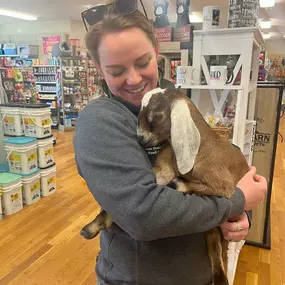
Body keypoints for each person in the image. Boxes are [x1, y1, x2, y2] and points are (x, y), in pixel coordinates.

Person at [74, 3, 267, 285]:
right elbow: (144, 215)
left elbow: (219, 154)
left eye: (142, 63)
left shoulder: (172, 98)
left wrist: (238, 214)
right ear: (99, 69)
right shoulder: (99, 122)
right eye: (116, 70)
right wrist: (234, 201)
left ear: (156, 52)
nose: (134, 79)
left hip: (202, 273)